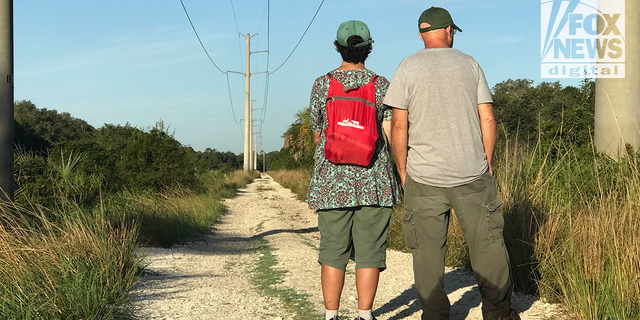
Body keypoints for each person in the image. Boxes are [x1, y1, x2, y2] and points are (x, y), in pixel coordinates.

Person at [384, 7, 520, 320]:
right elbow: (487, 117)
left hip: (423, 177)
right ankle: (499, 313)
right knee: (488, 247)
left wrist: (403, 171)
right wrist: (486, 161)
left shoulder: (406, 67)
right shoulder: (470, 64)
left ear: (421, 34)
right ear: (449, 31)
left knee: (427, 254)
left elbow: (398, 126)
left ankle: (434, 315)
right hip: (472, 174)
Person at [306, 20, 400, 320]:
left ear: (339, 47)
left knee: (332, 250)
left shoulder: (323, 84)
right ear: (368, 47)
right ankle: (365, 314)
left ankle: (331, 315)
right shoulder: (381, 84)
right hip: (374, 180)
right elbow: (389, 132)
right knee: (370, 252)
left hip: (333, 180)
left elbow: (319, 135)